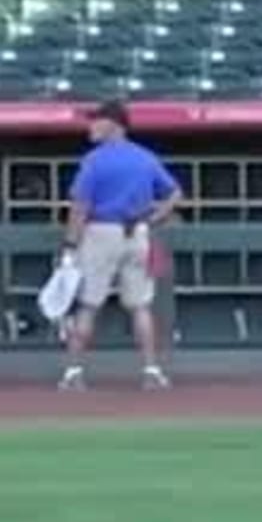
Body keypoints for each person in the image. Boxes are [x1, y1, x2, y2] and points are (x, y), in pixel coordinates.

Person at [59, 100, 182, 392]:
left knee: (88, 305)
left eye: (96, 121)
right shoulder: (145, 157)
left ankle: (74, 374)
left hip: (101, 231)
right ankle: (151, 371)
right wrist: (155, 217)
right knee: (140, 306)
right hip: (137, 232)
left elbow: (80, 206)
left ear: (113, 124)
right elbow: (175, 193)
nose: (90, 126)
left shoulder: (95, 160)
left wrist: (69, 245)